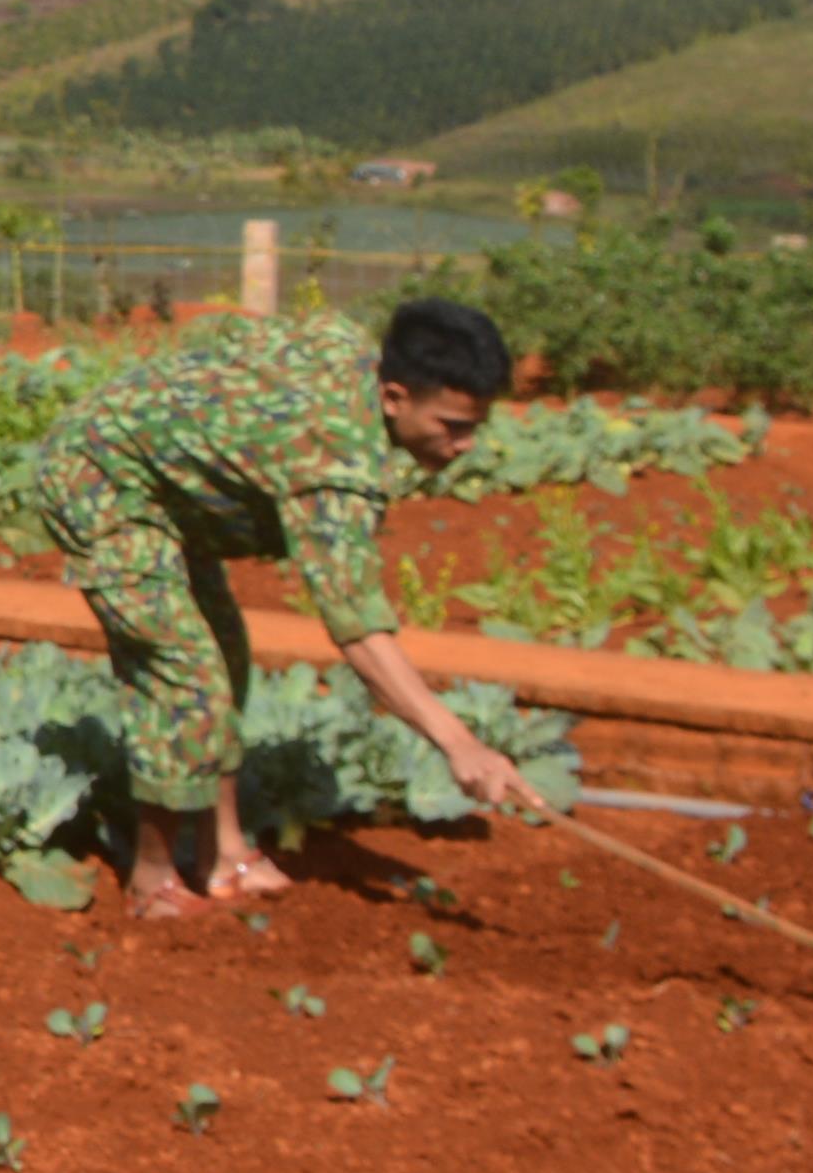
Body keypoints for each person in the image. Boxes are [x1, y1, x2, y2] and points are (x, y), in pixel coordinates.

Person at [35, 294, 545, 916]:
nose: (465, 444)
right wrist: (459, 743)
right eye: (452, 426)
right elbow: (356, 629)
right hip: (97, 479)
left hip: (166, 488)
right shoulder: (331, 458)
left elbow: (230, 329)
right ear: (394, 398)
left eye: (475, 426)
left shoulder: (347, 352)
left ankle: (222, 852)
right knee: (186, 675)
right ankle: (152, 876)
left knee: (226, 657)